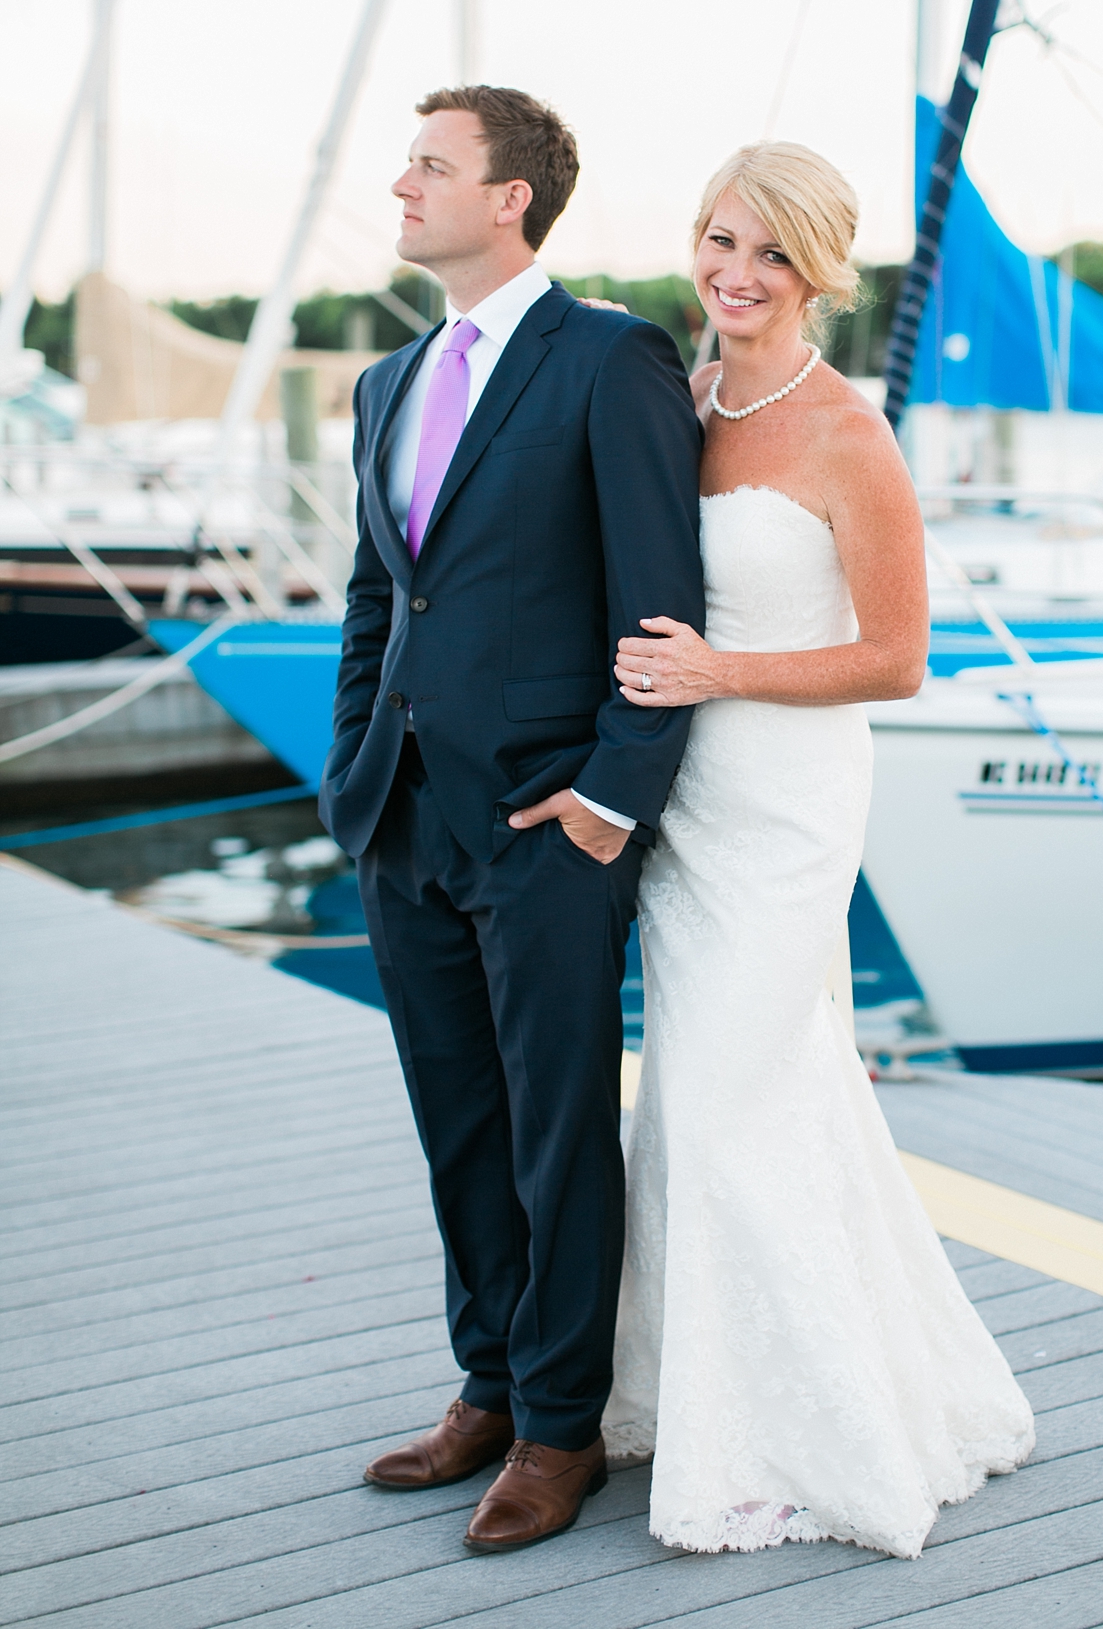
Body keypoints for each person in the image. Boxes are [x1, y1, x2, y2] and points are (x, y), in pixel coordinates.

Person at [602, 141, 1035, 1557]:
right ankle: (688, 1392)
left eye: (769, 254)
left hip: (786, 808)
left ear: (820, 274)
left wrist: (721, 673)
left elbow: (898, 659)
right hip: (687, 803)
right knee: (718, 1100)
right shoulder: (688, 393)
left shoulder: (850, 433)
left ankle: (795, 1437)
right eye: (720, 240)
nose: (734, 274)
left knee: (729, 1107)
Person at [319, 85, 704, 1553]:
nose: (401, 183)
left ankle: (561, 1429)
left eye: (432, 164)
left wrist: (612, 801)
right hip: (404, 820)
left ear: (512, 200)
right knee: (458, 1125)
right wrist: (356, 764)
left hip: (550, 822)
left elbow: (663, 602)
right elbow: (377, 593)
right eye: (406, 160)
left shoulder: (609, 360)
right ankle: (485, 1383)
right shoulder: (390, 380)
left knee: (557, 1137)